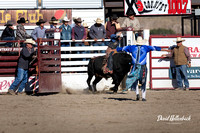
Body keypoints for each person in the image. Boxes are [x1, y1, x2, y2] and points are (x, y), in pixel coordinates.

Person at [117, 36, 168, 101]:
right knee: (143, 81)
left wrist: (114, 49)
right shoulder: (146, 47)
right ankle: (143, 97)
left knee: (134, 80)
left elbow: (121, 49)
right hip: (142, 67)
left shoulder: (132, 47)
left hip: (134, 66)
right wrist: (166, 49)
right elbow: (156, 48)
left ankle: (137, 94)